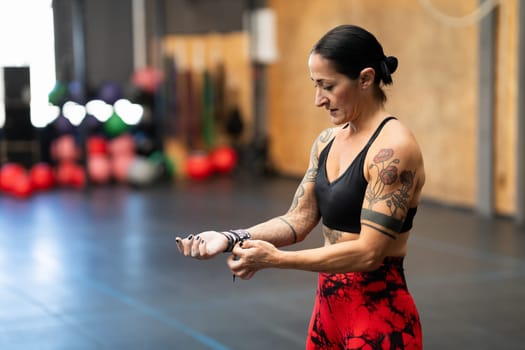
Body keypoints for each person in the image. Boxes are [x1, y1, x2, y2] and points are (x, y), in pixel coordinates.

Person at [176, 24, 425, 350]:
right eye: (315, 85)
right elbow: (299, 218)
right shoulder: (327, 141)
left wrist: (276, 259)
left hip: (379, 316)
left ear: (365, 79)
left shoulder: (392, 151)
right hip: (328, 313)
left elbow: (368, 254)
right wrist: (230, 237)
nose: (318, 100)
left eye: (328, 86)